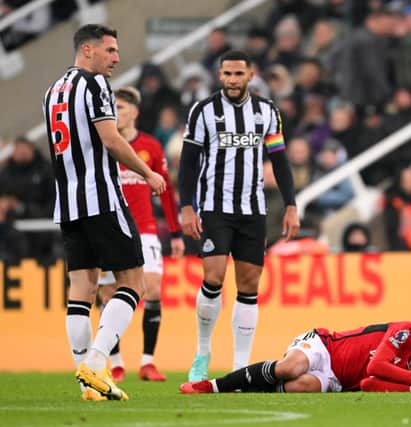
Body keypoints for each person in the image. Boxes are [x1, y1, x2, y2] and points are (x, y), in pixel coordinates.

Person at [43, 24, 166, 401]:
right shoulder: (94, 85)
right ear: (87, 50)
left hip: (69, 205)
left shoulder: (52, 91)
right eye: (109, 50)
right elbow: (110, 139)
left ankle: (87, 385)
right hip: (102, 199)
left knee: (82, 291)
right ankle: (96, 364)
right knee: (134, 282)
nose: (116, 58)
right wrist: (148, 173)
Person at [179, 50, 300, 381]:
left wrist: (291, 204)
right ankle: (203, 351)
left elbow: (280, 161)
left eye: (238, 74)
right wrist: (186, 206)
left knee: (248, 285)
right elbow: (188, 162)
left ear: (250, 75)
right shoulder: (203, 111)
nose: (232, 80)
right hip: (215, 209)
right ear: (220, 76)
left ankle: (239, 367)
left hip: (253, 210)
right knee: (214, 276)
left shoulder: (267, 112)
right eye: (227, 74)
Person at [97, 86, 184, 382]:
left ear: (134, 112)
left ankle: (148, 361)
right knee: (108, 294)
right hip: (110, 228)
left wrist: (175, 232)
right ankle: (117, 362)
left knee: (153, 288)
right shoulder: (103, 145)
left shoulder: (150, 146)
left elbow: (166, 189)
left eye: (120, 107)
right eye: (112, 107)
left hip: (144, 228)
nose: (115, 112)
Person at [179, 321, 411, 393]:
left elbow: (367, 383)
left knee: (299, 386)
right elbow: (375, 365)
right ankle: (213, 385)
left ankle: (242, 387)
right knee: (292, 367)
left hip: (335, 380)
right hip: (325, 346)